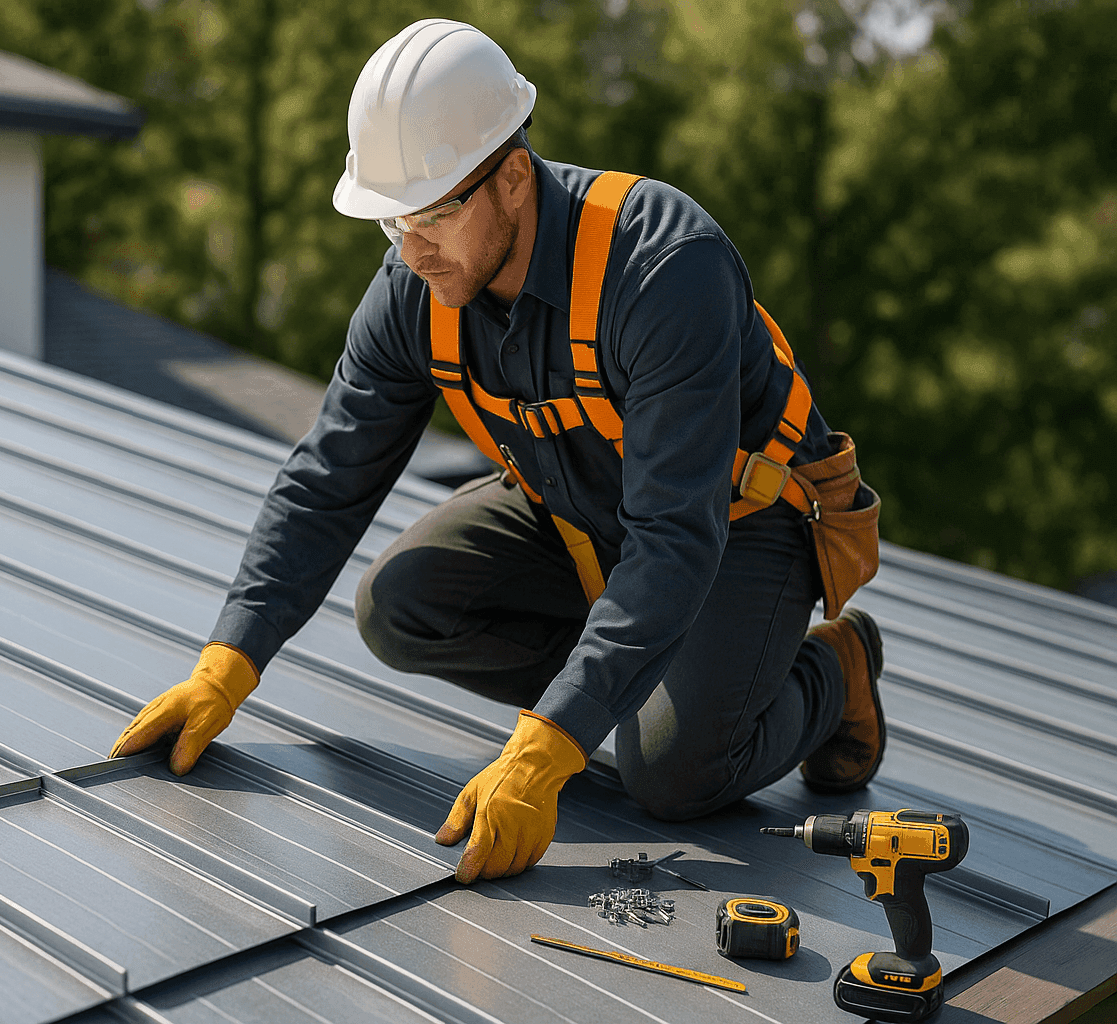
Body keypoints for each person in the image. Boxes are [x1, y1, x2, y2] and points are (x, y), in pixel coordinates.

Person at [110, 19, 885, 885]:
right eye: (390, 222)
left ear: (513, 179)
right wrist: (228, 660)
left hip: (735, 523)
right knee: (399, 607)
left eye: (432, 215)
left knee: (669, 774)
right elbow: (328, 477)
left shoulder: (665, 268)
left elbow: (676, 538)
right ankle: (620, 695)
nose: (410, 251)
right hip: (581, 512)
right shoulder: (419, 280)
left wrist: (550, 745)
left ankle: (834, 669)